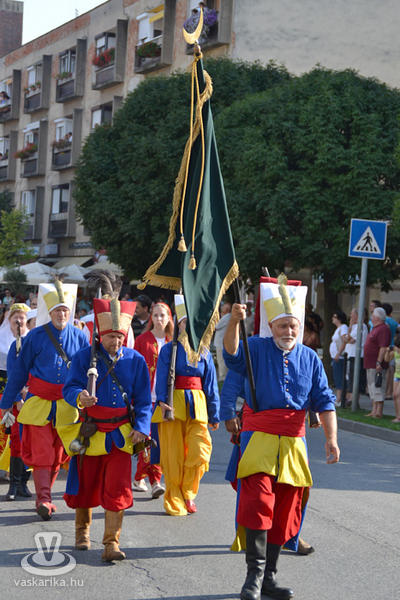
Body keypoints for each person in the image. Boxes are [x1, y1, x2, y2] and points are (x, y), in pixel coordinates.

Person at [223, 275, 339, 600]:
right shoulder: (255, 348)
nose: (288, 331)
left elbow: (325, 400)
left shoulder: (311, 358)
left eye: (293, 326)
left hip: (293, 443)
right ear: (271, 326)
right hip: (258, 437)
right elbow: (231, 354)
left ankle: (270, 578)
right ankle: (253, 577)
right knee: (259, 502)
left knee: (286, 509)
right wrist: (234, 322)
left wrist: (331, 438)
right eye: (282, 325)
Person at [60, 297, 152, 561]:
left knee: (118, 487)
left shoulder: (135, 360)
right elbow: (69, 388)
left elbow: (144, 400)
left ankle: (111, 543)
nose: (116, 341)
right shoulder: (83, 357)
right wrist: (80, 397)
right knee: (85, 484)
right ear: (101, 335)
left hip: (120, 435)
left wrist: (142, 427)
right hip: (90, 433)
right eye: (111, 336)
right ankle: (82, 532)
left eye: (120, 336)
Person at [0, 281, 89, 520]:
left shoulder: (80, 337)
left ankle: (45, 495)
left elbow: (88, 372)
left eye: (65, 310)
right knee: (42, 453)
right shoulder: (35, 336)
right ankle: (44, 498)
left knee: (59, 455)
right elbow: (19, 372)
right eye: (57, 310)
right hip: (39, 403)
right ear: (49, 312)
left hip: (67, 405)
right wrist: (6, 403)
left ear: (70, 312)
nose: (62, 314)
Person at [152, 295, 220, 516]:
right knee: (173, 456)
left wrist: (214, 413)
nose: (189, 327)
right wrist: (162, 402)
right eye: (184, 322)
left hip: (198, 405)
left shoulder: (204, 351)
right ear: (178, 324)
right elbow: (162, 378)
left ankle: (188, 491)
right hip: (173, 405)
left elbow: (211, 384)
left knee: (200, 451)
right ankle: (175, 496)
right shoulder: (168, 350)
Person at [133, 302, 173, 497]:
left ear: (169, 318)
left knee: (160, 441)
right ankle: (156, 481)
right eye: (155, 315)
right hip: (146, 399)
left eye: (162, 315)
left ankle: (139, 475)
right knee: (148, 439)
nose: (159, 319)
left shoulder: (173, 341)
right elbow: (134, 368)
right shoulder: (142, 340)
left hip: (167, 400)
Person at [0, 303, 31, 500]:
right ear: (9, 320)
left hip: (32, 397)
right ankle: (13, 484)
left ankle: (23, 483)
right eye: (15, 318)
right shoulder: (5, 340)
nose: (19, 321)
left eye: (22, 318)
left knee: (30, 440)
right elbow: (12, 373)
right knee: (16, 439)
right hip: (10, 397)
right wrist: (17, 397)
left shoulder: (33, 340)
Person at [364, 307, 391, 418]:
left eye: (373, 315)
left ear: (377, 317)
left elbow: (383, 347)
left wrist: (379, 361)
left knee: (378, 386)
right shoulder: (376, 328)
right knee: (372, 387)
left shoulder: (383, 329)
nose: (371, 317)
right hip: (370, 363)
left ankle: (379, 412)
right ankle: (374, 410)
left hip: (376, 364)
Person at [344, 307, 368, 406]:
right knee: (350, 377)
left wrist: (349, 327)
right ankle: (350, 399)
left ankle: (354, 401)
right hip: (350, 355)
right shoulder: (355, 326)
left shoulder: (361, 326)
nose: (350, 316)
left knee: (355, 378)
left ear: (356, 316)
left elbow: (349, 338)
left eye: (352, 314)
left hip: (356, 356)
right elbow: (347, 338)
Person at [329, 310, 348, 407]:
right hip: (335, 356)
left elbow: (344, 341)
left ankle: (340, 398)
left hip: (339, 357)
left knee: (339, 377)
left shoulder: (343, 327)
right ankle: (339, 398)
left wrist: (338, 353)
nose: (333, 318)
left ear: (339, 319)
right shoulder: (338, 329)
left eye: (335, 317)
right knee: (337, 376)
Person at [381, 303, 397, 399]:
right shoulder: (394, 322)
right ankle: (389, 392)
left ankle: (385, 391)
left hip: (386, 346)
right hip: (393, 345)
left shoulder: (384, 321)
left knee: (386, 369)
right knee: (391, 369)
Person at [214, 302, 232, 382]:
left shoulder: (226, 317)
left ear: (226, 310)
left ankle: (222, 377)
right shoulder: (229, 317)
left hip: (220, 343)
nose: (221, 309)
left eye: (223, 307)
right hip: (223, 342)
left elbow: (216, 326)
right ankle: (224, 376)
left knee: (221, 360)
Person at [384, 333, 400, 423]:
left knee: (398, 394)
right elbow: (387, 359)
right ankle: (397, 416)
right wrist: (387, 351)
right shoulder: (395, 350)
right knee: (394, 395)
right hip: (397, 375)